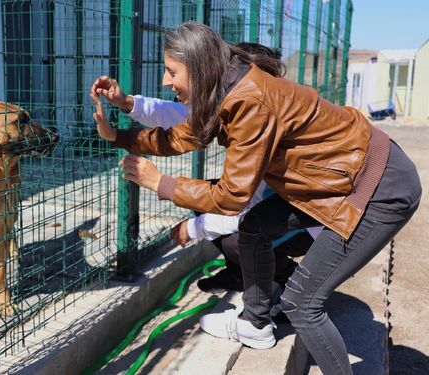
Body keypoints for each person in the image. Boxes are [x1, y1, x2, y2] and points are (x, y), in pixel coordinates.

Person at [90, 22, 421, 374]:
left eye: (171, 71)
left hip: (375, 188)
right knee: (254, 226)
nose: (165, 81)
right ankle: (256, 323)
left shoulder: (248, 100)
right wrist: (118, 136)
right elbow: (180, 136)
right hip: (338, 183)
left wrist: (162, 184)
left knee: (302, 302)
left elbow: (233, 195)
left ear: (199, 67)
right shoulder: (225, 90)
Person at [112, 62, 323, 292]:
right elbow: (179, 116)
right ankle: (242, 275)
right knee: (203, 199)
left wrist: (191, 227)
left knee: (241, 240)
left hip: (308, 227)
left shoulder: (260, 128)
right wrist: (129, 104)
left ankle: (288, 288)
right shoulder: (243, 107)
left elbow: (242, 211)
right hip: (273, 209)